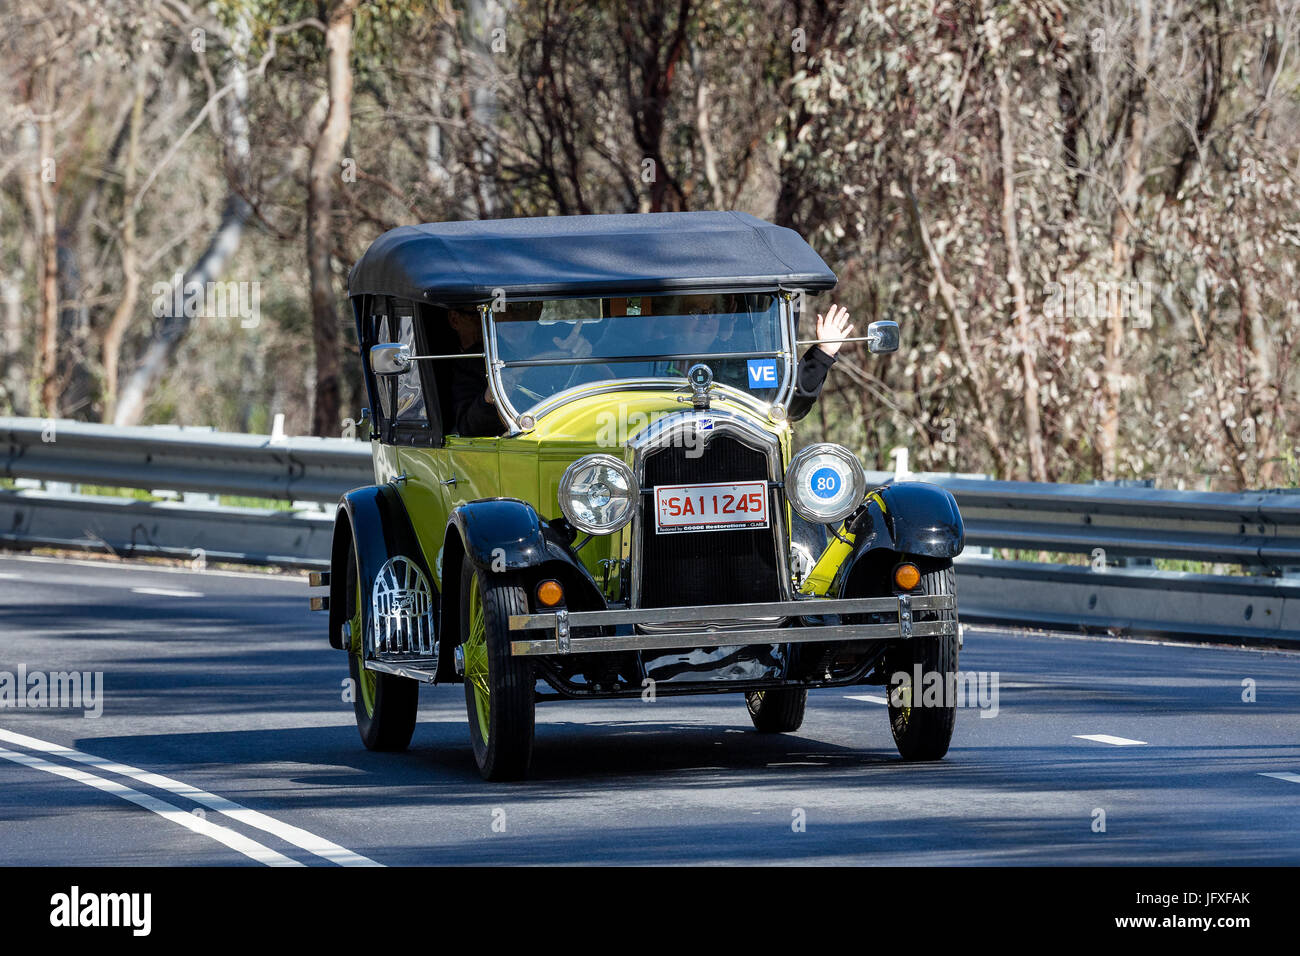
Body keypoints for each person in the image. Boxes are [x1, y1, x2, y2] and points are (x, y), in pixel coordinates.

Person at [444, 307, 504, 437]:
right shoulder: (459, 363)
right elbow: (466, 427)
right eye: (479, 316)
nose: (490, 324)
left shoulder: (506, 353)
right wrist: (487, 398)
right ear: (454, 320)